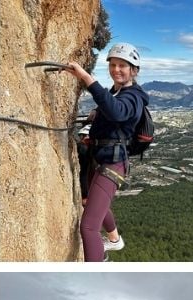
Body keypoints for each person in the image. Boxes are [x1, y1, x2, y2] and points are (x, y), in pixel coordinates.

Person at [63, 42, 147, 261]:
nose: (116, 70)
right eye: (113, 64)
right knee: (89, 203)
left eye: (123, 66)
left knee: (89, 228)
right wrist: (96, 114)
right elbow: (111, 111)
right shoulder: (118, 92)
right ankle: (114, 239)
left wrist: (86, 78)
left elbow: (117, 112)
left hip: (112, 165)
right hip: (103, 159)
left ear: (133, 70)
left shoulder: (133, 97)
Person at [77, 123, 123, 253]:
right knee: (98, 206)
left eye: (82, 137)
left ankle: (114, 239)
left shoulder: (85, 149)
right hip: (112, 172)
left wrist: (85, 195)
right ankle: (114, 239)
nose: (81, 140)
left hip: (104, 175)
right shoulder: (98, 147)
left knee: (89, 226)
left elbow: (85, 171)